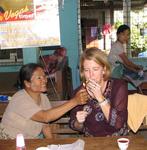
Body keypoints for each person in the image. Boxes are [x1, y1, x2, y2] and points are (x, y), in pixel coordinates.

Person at [0, 63, 88, 139]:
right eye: (39, 78)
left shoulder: (43, 98)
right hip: (8, 141)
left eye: (44, 76)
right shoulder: (20, 99)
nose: (45, 80)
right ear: (27, 83)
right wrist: (74, 101)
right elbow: (45, 117)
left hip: (30, 142)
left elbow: (45, 126)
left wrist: (53, 145)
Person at [69, 47, 128, 137]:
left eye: (95, 69)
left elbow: (118, 124)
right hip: (92, 142)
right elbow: (73, 124)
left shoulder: (119, 86)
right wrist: (79, 122)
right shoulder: (79, 92)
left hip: (117, 140)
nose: (91, 75)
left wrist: (100, 97)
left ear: (104, 69)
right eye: (86, 70)